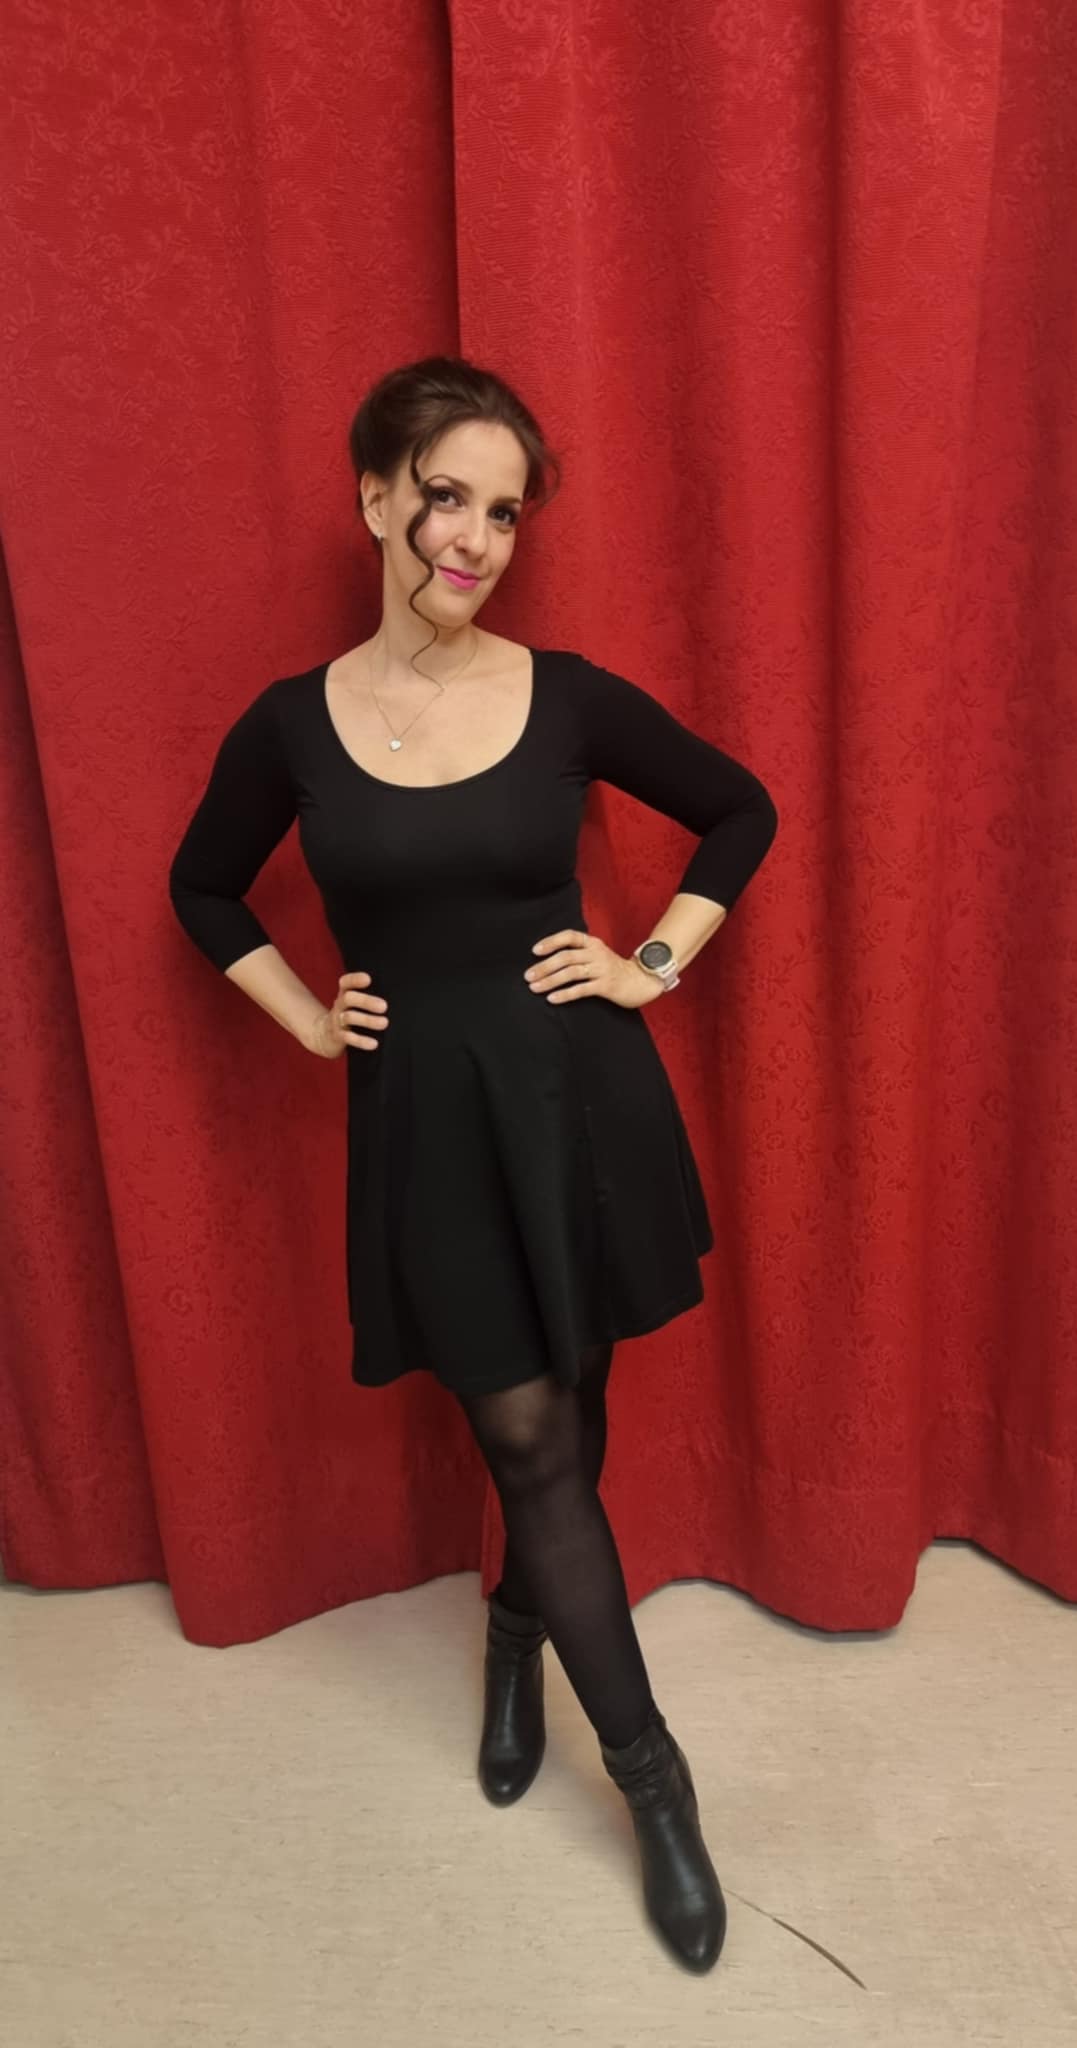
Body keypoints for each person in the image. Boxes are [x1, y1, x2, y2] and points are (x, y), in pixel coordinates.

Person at [168, 354, 779, 1975]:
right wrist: (309, 1018)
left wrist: (650, 962)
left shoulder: (565, 697)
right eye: (446, 497)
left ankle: (516, 1642)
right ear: (374, 499)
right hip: (430, 1129)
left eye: (503, 513)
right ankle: (654, 1787)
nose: (474, 539)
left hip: (582, 1101)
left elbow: (737, 810)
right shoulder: (289, 726)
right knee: (529, 1439)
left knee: (566, 1416)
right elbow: (202, 888)